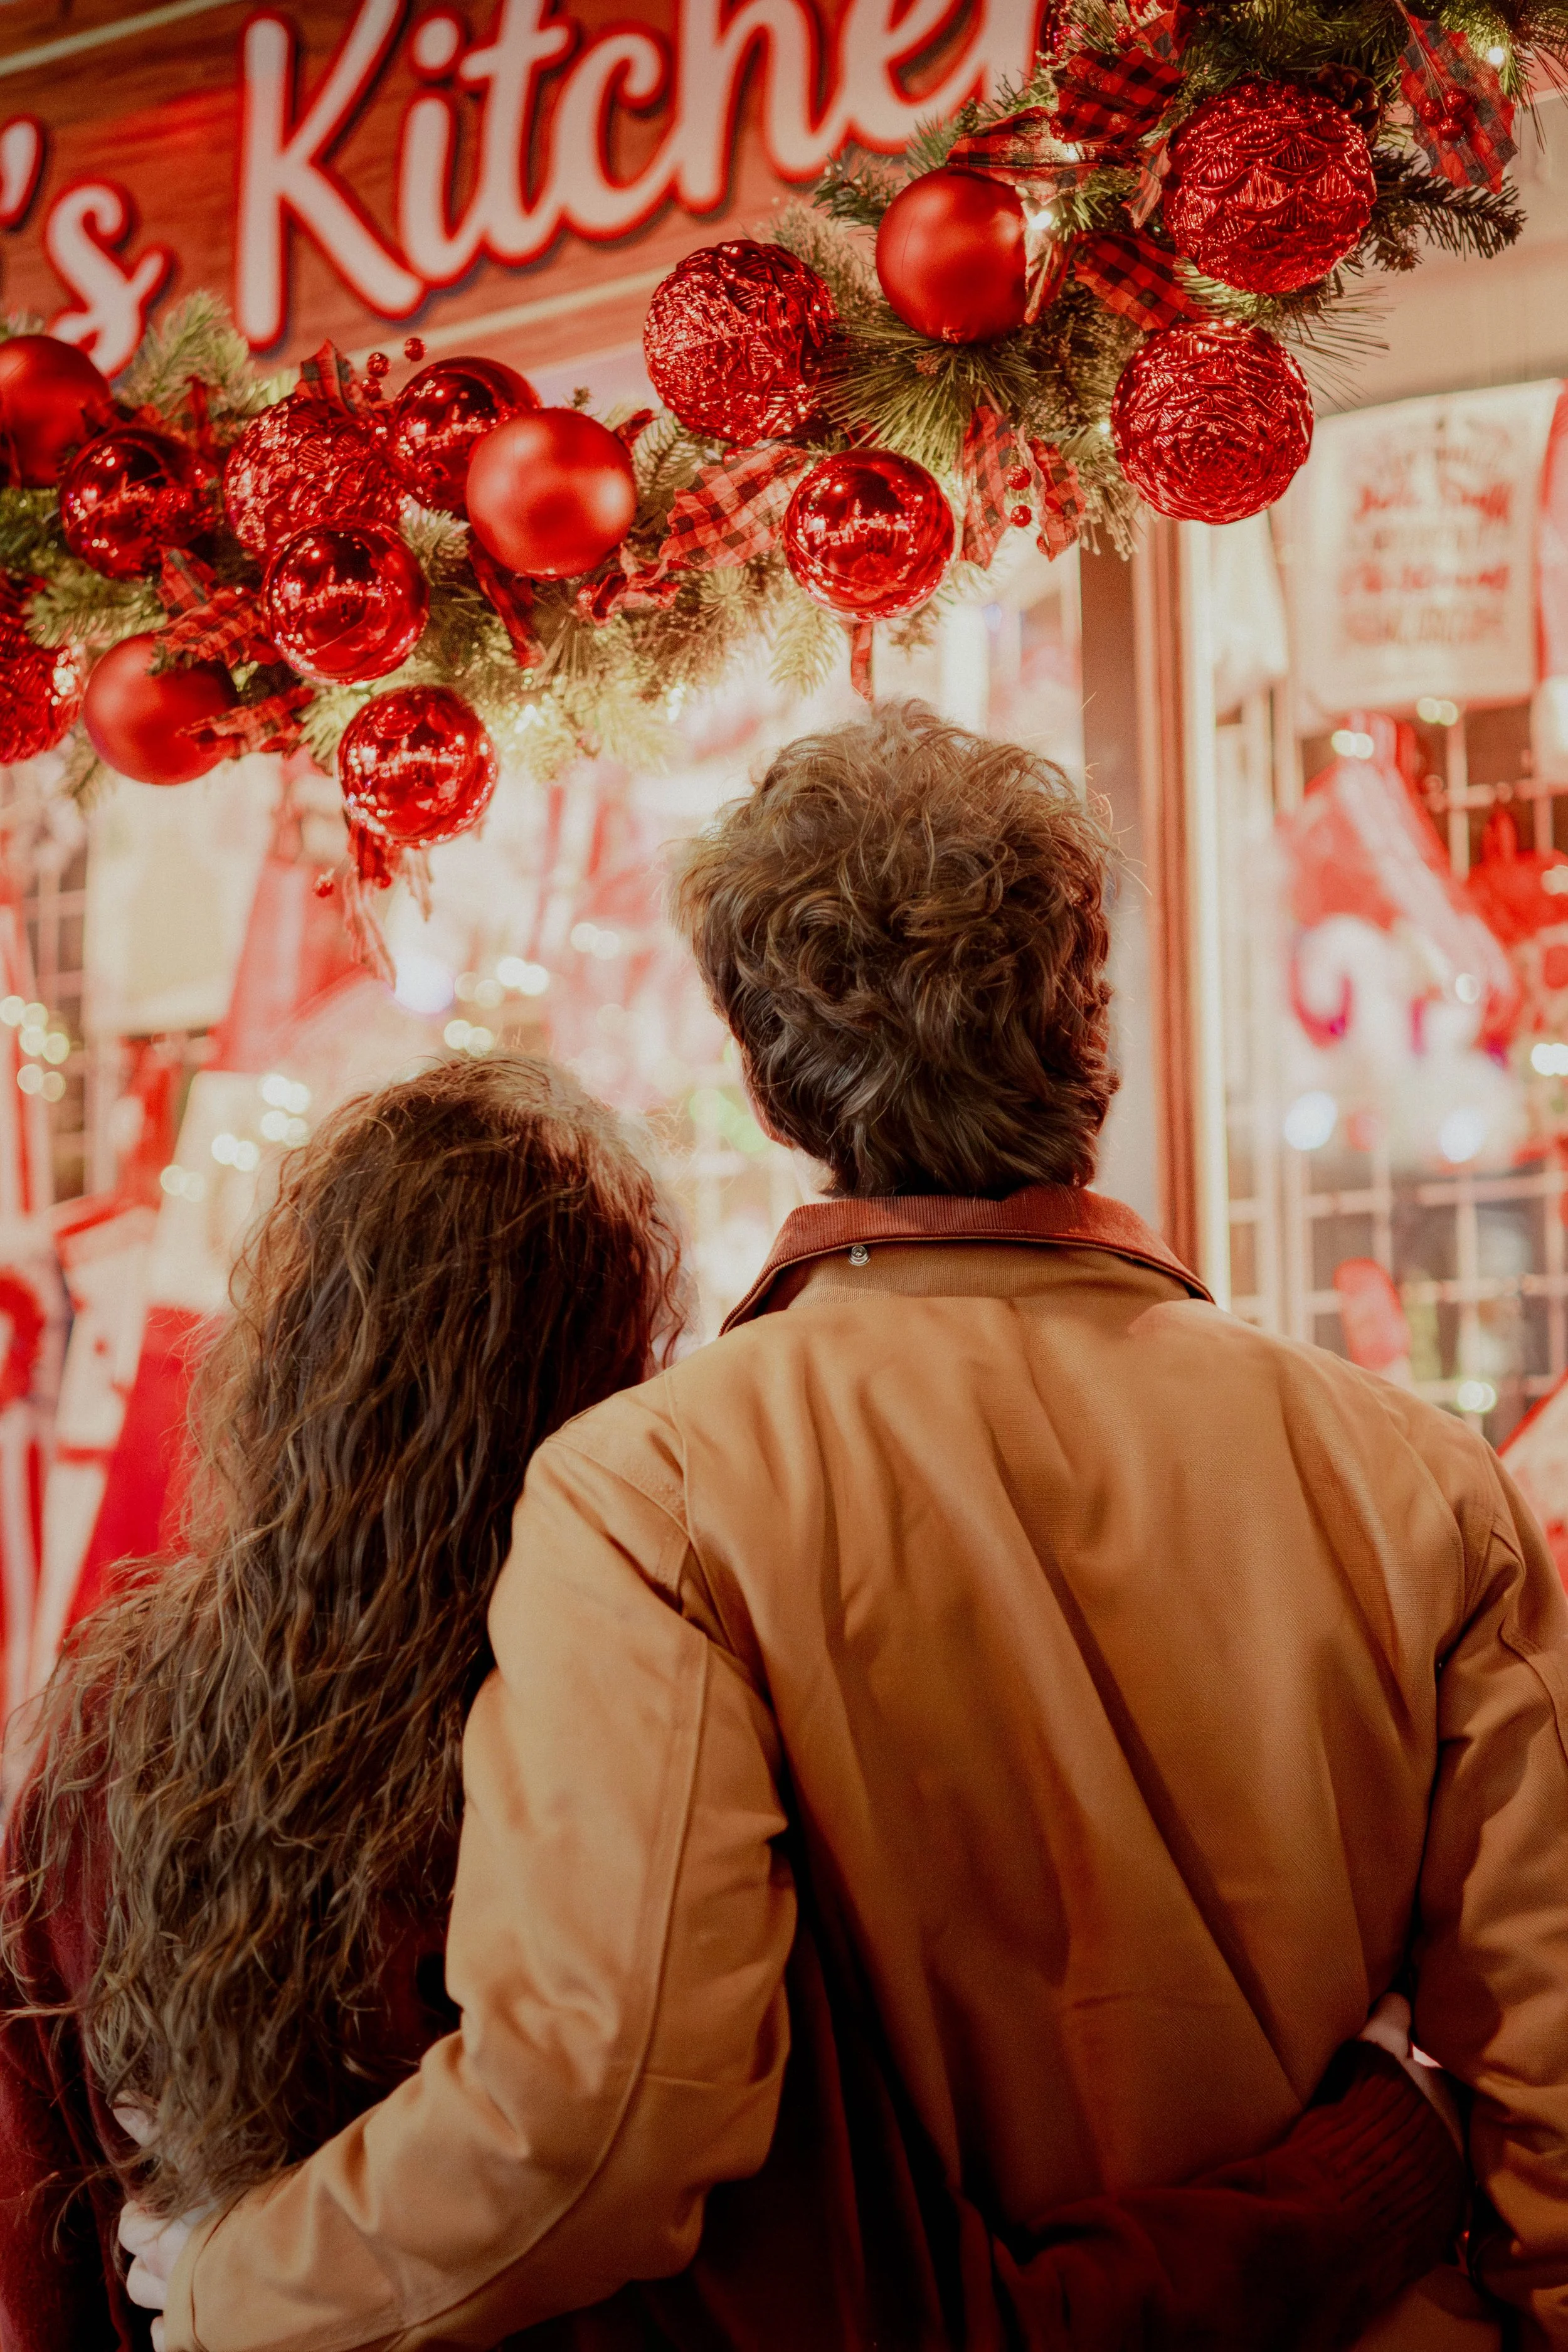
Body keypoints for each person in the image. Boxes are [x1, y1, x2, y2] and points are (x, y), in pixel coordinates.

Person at [2, 1047, 1461, 2352]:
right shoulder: (627, 1775)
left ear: (272, 1368)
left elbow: (40, 2263)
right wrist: (1385, 2151)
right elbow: (929, 2318)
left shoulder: (102, 1734)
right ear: (608, 1395)